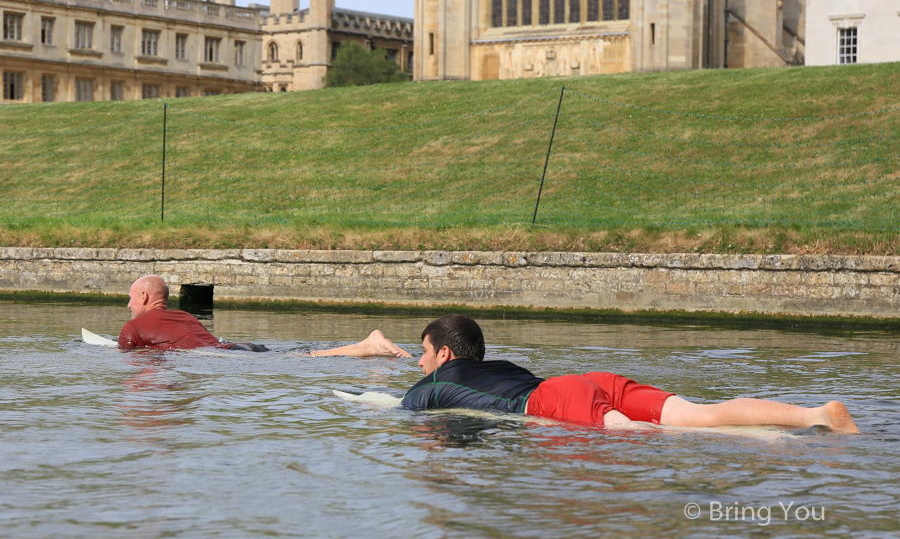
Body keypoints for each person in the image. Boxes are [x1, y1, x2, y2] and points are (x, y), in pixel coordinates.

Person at [400, 315, 860, 433]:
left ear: (443, 355)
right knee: (700, 416)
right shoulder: (502, 366)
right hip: (587, 381)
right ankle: (813, 414)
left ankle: (765, 438)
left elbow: (408, 409)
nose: (419, 362)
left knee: (650, 438)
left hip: (554, 401)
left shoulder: (436, 383)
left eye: (423, 353)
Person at [120, 275, 412, 357]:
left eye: (131, 299)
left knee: (307, 358)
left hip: (234, 357)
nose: (129, 306)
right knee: (301, 354)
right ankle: (366, 345)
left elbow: (134, 353)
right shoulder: (186, 316)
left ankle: (367, 347)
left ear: (144, 297)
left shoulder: (133, 327)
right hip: (242, 347)